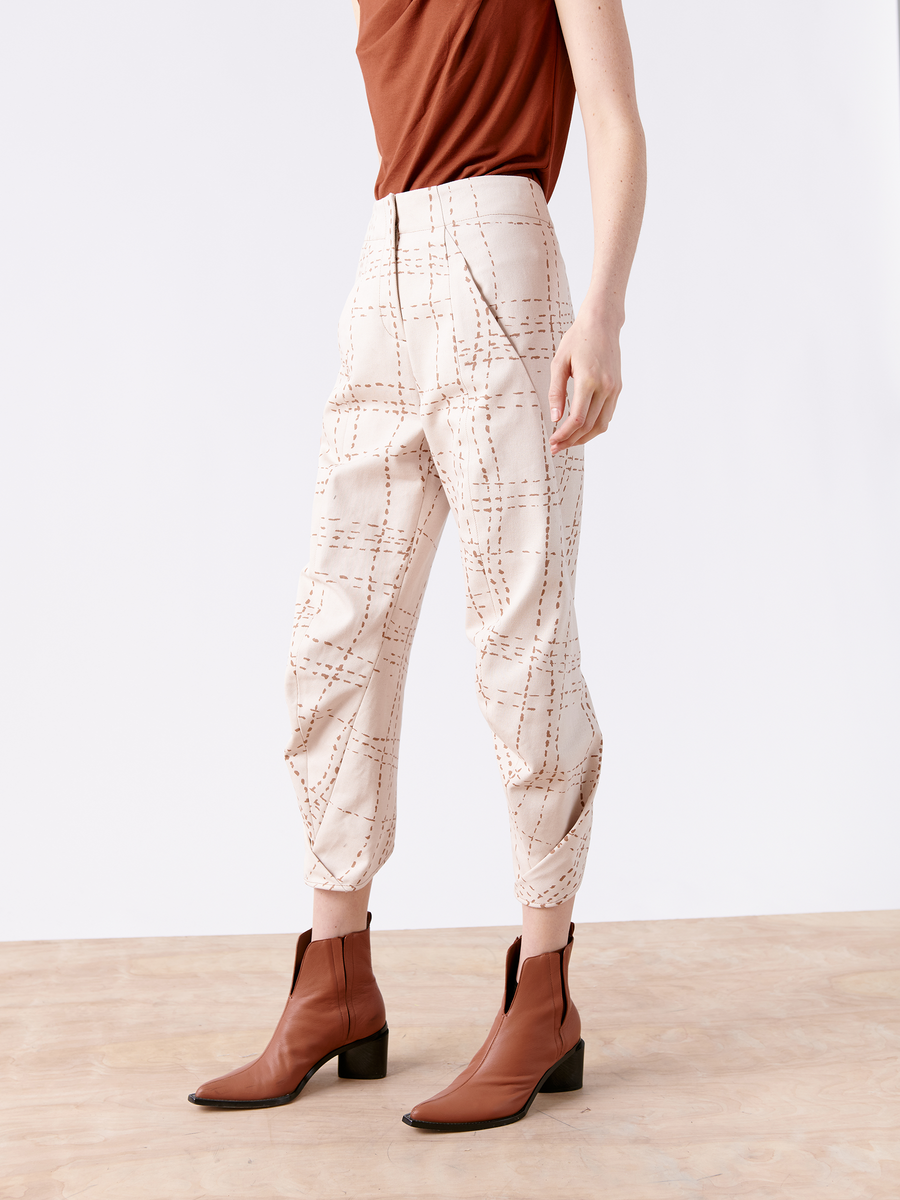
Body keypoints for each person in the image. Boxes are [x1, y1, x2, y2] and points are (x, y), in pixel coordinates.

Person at [188, 0, 646, 1132]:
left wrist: (603, 314)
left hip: (498, 255)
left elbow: (619, 121)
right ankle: (334, 977)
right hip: (382, 265)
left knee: (518, 638)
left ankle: (544, 995)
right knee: (335, 635)